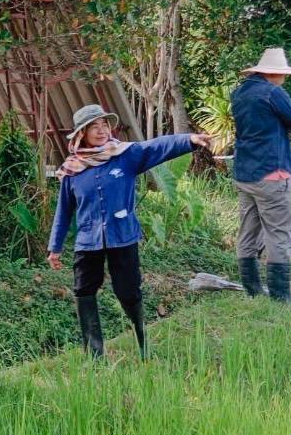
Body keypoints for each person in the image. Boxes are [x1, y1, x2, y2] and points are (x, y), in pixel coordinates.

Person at [46, 103, 211, 358]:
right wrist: (55, 247)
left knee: (128, 291)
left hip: (122, 238)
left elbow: (155, 147)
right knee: (84, 291)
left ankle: (142, 343)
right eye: (94, 127)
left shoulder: (125, 155)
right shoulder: (72, 171)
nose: (101, 131)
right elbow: (64, 211)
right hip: (88, 241)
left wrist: (188, 139)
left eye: (104, 125)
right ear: (82, 133)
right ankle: (95, 355)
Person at [230, 47, 291, 304]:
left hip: (245, 172)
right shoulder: (273, 92)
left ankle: (252, 290)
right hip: (271, 173)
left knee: (248, 230)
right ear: (274, 73)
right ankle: (280, 295)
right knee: (281, 231)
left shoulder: (239, 93)